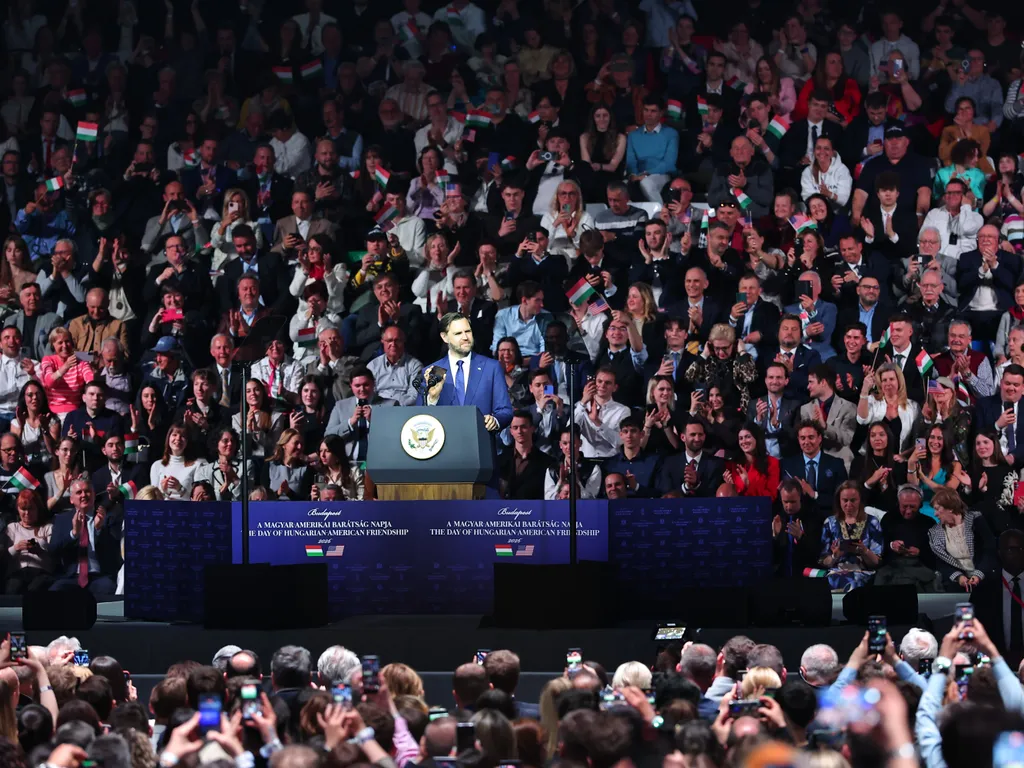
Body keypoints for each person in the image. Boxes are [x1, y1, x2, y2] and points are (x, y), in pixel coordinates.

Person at [47, 479, 121, 596]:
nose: (83, 495)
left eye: (87, 491)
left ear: (93, 495)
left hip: (99, 576)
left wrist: (98, 530)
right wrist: (73, 534)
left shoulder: (106, 517)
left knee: (109, 588)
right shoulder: (61, 519)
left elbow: (114, 553)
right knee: (55, 591)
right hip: (71, 577)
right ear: (71, 499)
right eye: (79, 492)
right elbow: (53, 550)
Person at [816, 481, 884, 592]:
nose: (849, 505)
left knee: (853, 581)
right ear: (839, 501)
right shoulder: (830, 522)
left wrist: (865, 551)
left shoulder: (872, 522)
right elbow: (824, 561)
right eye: (845, 500)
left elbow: (876, 562)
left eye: (853, 500)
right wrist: (834, 556)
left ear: (860, 500)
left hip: (862, 573)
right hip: (836, 572)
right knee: (831, 581)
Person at [928, 487, 997, 592]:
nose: (935, 514)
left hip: (986, 577)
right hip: (957, 584)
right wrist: (959, 577)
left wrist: (978, 575)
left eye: (937, 509)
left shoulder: (976, 520)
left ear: (950, 508)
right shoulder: (935, 533)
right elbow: (941, 563)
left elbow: (990, 551)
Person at [875, 485, 938, 591]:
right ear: (898, 504)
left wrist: (920, 552)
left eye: (912, 507)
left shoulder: (929, 523)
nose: (908, 511)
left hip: (919, 566)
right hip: (892, 565)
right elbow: (879, 547)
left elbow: (935, 555)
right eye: (904, 506)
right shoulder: (888, 519)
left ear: (920, 505)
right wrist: (892, 545)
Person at [780, 420, 848, 517]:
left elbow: (842, 498)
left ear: (820, 438)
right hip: (798, 519)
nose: (806, 442)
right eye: (802, 438)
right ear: (798, 440)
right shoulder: (787, 465)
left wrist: (814, 494)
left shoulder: (836, 464)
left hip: (827, 518)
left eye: (811, 437)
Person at [4, 489, 52, 594]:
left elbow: (53, 554)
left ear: (38, 509)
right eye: (23, 509)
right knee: (13, 588)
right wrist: (16, 548)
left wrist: (39, 550)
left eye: (31, 509)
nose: (27, 513)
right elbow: (4, 556)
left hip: (41, 573)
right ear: (18, 509)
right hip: (17, 572)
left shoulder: (47, 528)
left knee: (35, 589)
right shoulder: (12, 528)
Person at [772, 479, 821, 578]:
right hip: (781, 579)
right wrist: (775, 537)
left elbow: (817, 555)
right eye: (785, 502)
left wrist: (801, 538)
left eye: (793, 502)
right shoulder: (776, 518)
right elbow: (772, 557)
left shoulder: (812, 518)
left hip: (805, 579)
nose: (789, 506)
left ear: (800, 498)